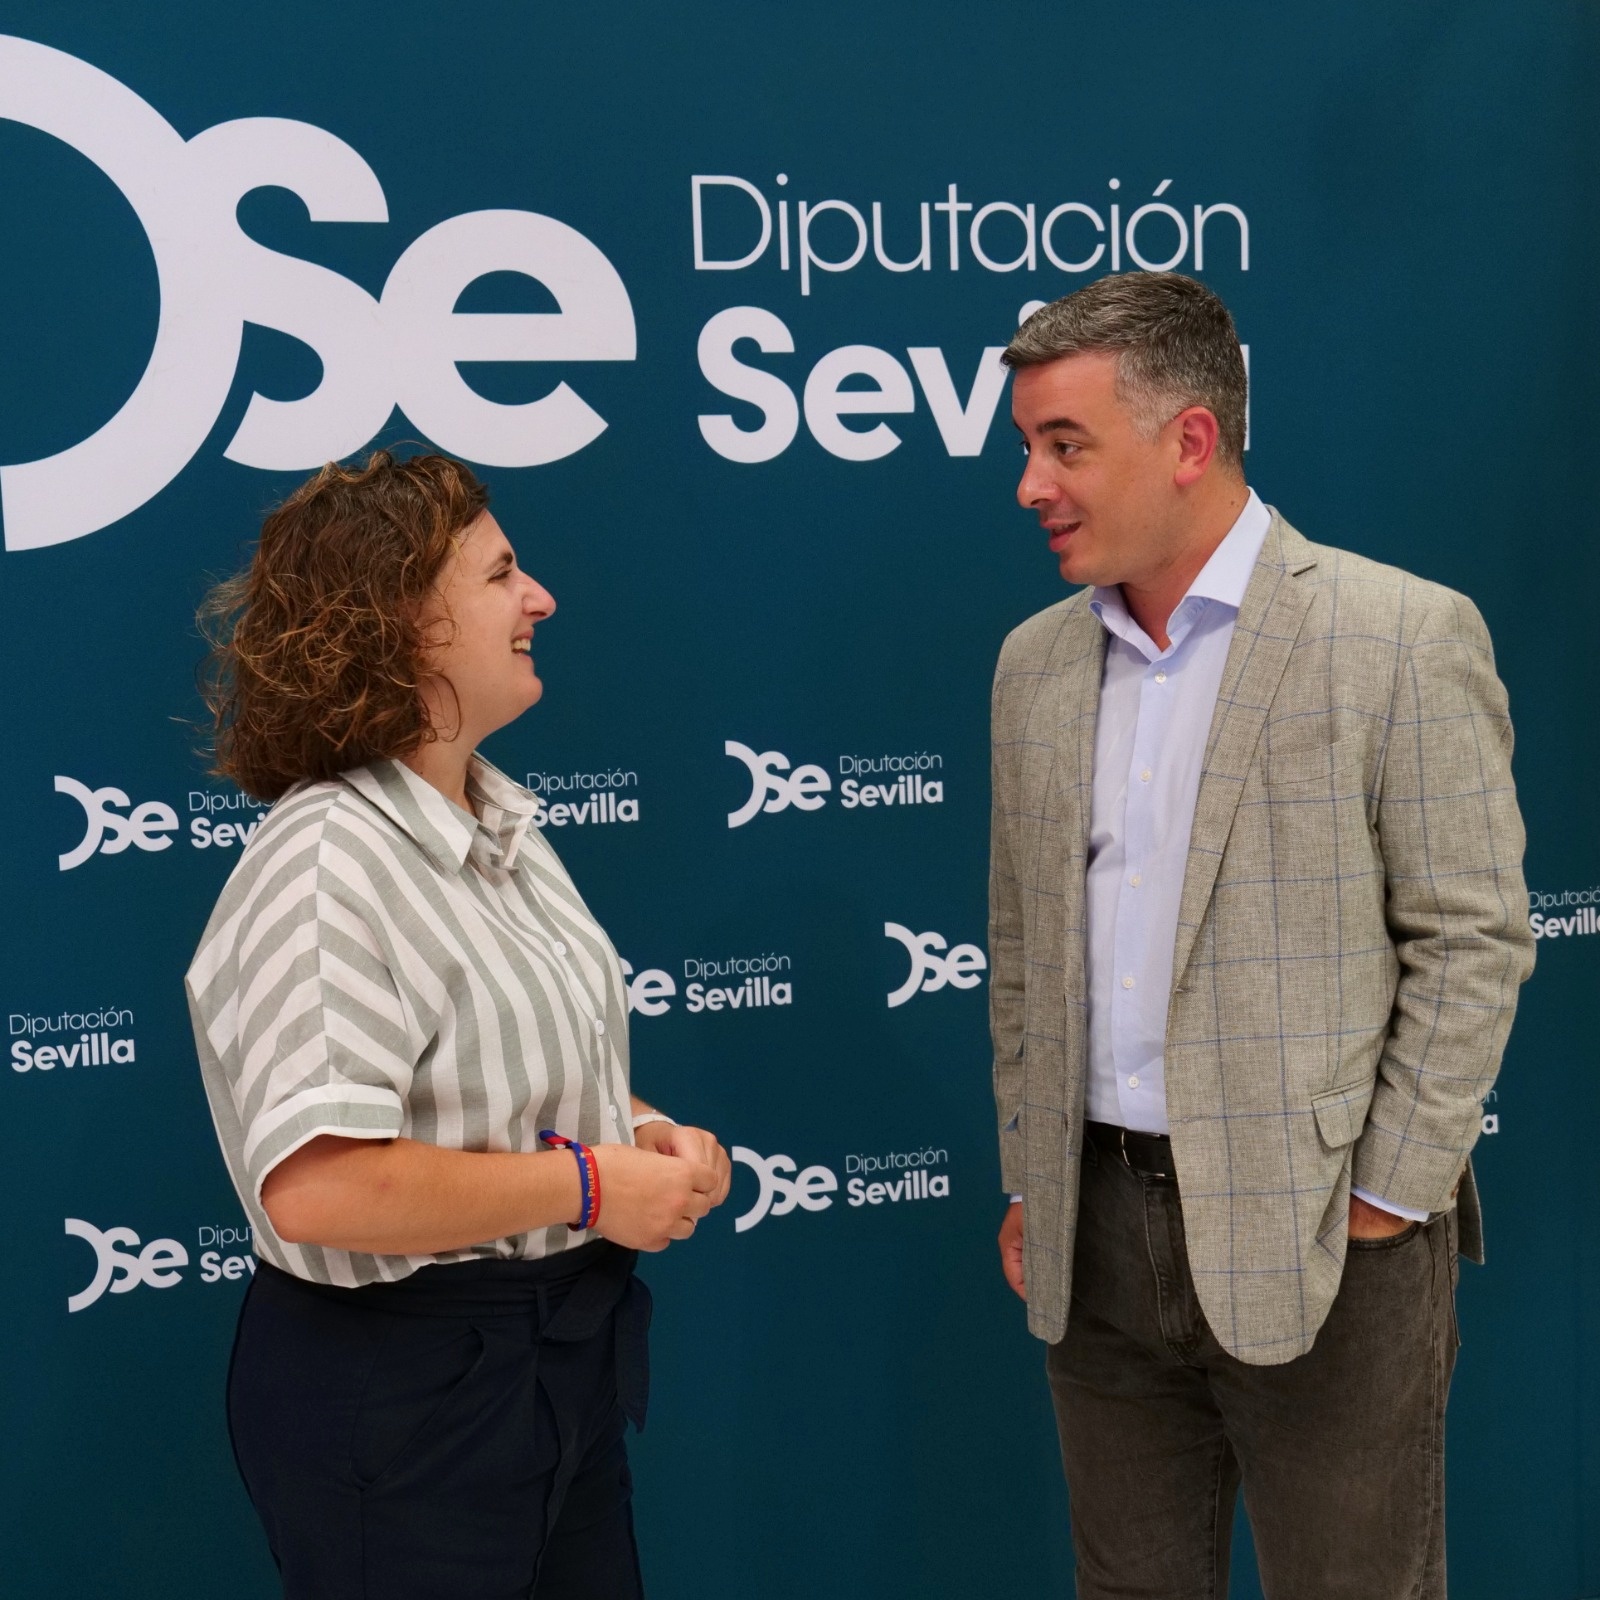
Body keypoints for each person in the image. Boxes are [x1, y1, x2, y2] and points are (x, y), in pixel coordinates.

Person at [988, 273, 1532, 1600]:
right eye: (1027, 448)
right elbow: (1021, 946)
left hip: (1330, 1234)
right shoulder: (1032, 663)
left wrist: (1389, 1195)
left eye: (1064, 445)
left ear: (1189, 440)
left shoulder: (1398, 635)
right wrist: (1033, 1174)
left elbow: (1471, 936)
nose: (1030, 486)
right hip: (1093, 1239)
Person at [186, 450, 731, 1599]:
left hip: (551, 1368)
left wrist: (639, 1129)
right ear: (400, 622)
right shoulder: (326, 861)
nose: (541, 598)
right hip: (401, 1394)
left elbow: (507, 1070)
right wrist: (591, 1185)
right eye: (499, 574)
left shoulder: (500, 823)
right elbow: (320, 1187)